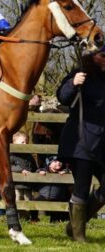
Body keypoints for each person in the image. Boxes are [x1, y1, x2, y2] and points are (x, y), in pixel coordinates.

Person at [56, 47, 105, 242]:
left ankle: (75, 223)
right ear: (94, 57)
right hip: (80, 141)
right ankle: (78, 236)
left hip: (102, 144)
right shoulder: (81, 73)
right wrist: (72, 84)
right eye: (103, 56)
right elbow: (63, 97)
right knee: (82, 188)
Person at [35, 155, 70, 223]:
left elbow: (69, 171)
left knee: (57, 209)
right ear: (49, 164)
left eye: (60, 161)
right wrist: (39, 172)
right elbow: (37, 170)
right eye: (55, 161)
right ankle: (34, 219)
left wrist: (66, 172)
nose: (58, 163)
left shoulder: (62, 172)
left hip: (57, 197)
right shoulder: (44, 170)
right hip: (44, 196)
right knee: (33, 202)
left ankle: (54, 221)